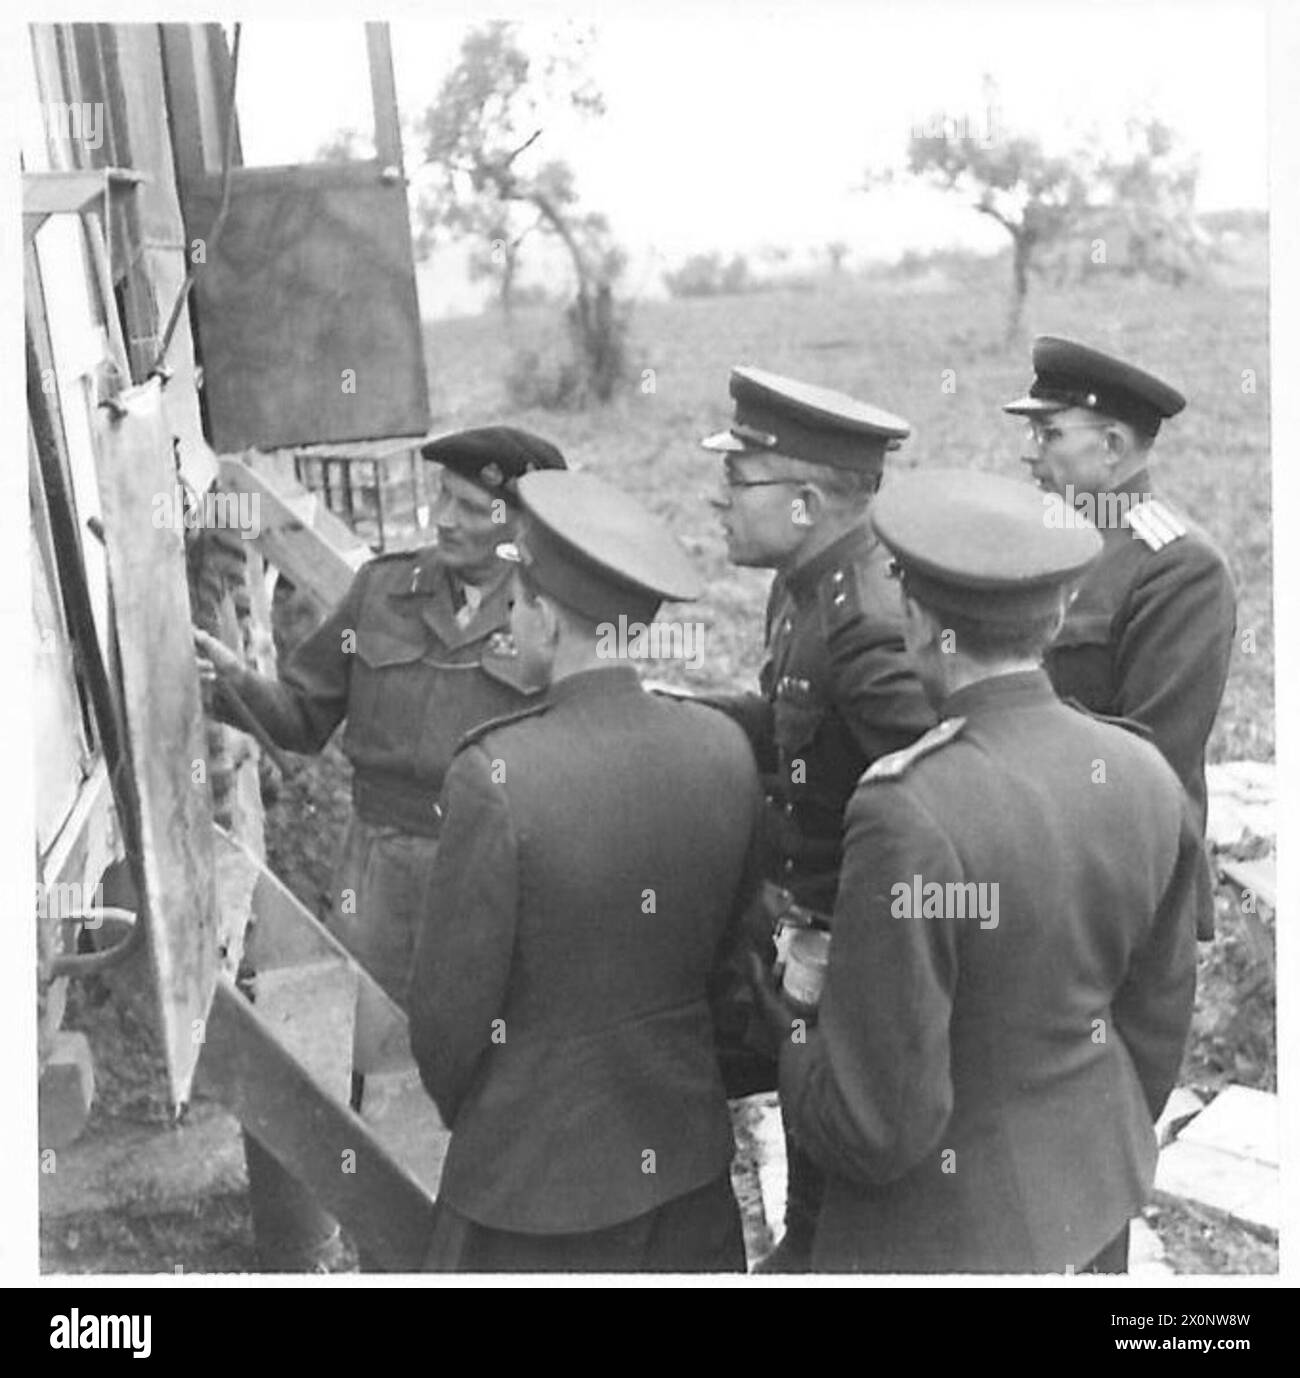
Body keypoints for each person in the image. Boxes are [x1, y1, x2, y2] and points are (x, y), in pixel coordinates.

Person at [756, 469, 1210, 1273]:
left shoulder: (909, 811)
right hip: (1092, 1202)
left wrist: (791, 1026)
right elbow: (1156, 1017)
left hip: (940, 1237)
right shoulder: (1141, 769)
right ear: (1060, 612)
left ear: (923, 625)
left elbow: (876, 1124)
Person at [409, 470, 764, 1273]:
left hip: (529, 1196)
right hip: (684, 1174)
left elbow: (446, 1021)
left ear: (543, 614)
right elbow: (728, 962)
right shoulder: (723, 749)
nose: (509, 621)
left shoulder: (495, 777)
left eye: (516, 605)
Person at [194, 427, 566, 1006]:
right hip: (376, 873)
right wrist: (232, 683)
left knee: (492, 1034)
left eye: (471, 508)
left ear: (526, 525)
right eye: (442, 496)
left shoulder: (553, 615)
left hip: (497, 869)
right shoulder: (384, 589)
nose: (443, 518)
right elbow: (300, 718)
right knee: (369, 1036)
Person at [700, 365, 935, 1270]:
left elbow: (930, 802)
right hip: (816, 940)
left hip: (860, 953)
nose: (718, 501)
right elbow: (804, 735)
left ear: (803, 503)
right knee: (815, 1188)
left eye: (736, 481)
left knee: (849, 1190)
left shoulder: (867, 620)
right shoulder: (803, 588)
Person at [1003, 337, 1236, 912]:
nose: (1028, 454)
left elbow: (1150, 759)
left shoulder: (1178, 568)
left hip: (1124, 889)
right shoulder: (1041, 547)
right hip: (1035, 863)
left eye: (1049, 434)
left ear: (1111, 446)